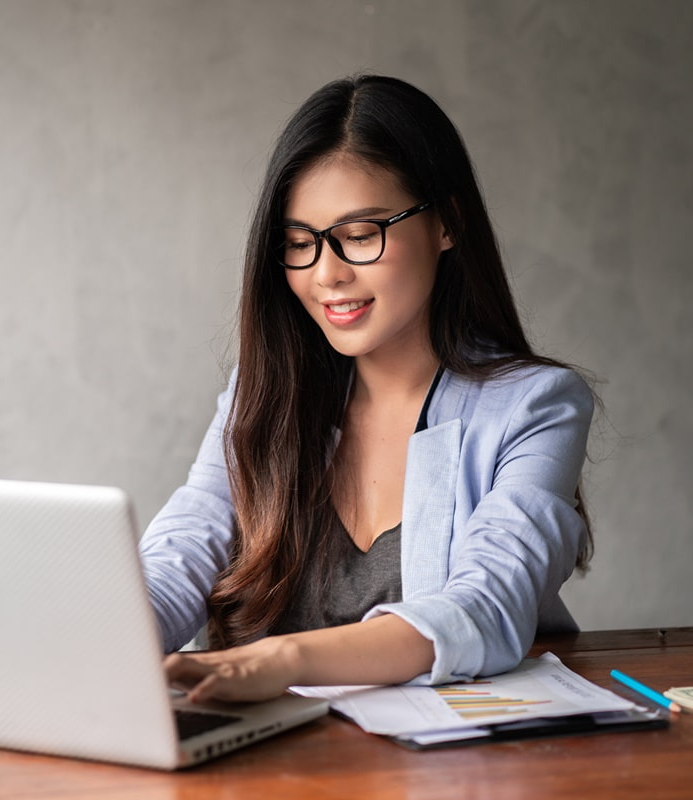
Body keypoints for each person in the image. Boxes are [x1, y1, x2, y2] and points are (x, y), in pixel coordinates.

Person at [139, 74, 594, 704]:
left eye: (359, 235)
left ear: (447, 224)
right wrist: (100, 636)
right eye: (300, 243)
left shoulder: (535, 405)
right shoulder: (264, 392)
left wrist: (280, 658)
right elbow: (183, 550)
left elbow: (486, 604)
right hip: (267, 764)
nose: (327, 274)